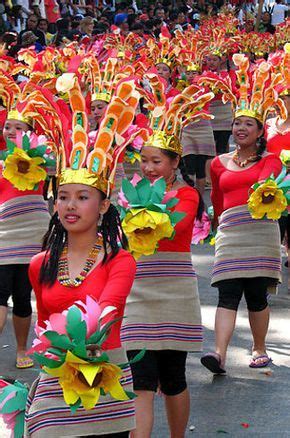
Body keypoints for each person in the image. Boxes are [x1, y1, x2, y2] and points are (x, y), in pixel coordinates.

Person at [25, 78, 137, 437]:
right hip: (56, 378)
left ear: (104, 204)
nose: (70, 205)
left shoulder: (119, 260)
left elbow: (110, 308)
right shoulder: (39, 263)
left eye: (83, 197)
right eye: (63, 197)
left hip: (104, 377)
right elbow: (43, 326)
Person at [121, 84, 206, 438]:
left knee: (173, 378)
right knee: (140, 378)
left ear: (174, 163)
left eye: (158, 161)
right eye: (145, 160)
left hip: (176, 293)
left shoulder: (186, 193)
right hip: (137, 292)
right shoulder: (131, 192)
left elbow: (175, 226)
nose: (150, 167)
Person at [200, 55, 283, 375]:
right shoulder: (218, 162)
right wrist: (219, 227)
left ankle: (259, 347)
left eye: (248, 123)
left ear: (260, 130)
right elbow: (218, 200)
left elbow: (274, 191)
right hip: (232, 232)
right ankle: (219, 353)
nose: (241, 128)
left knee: (257, 294)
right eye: (237, 123)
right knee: (227, 292)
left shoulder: (271, 161)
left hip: (261, 231)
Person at [0, 109, 50, 369]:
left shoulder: (41, 161)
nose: (10, 131)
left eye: (17, 128)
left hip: (31, 236)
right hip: (3, 235)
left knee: (22, 295)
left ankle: (21, 348)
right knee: (0, 293)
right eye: (7, 126)